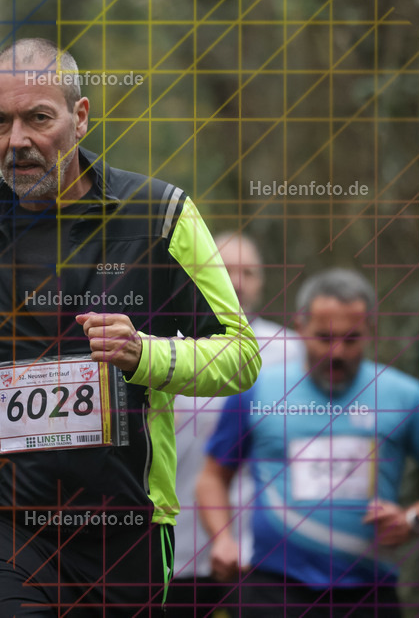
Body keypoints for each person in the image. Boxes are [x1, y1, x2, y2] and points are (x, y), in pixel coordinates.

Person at [0, 37, 263, 617]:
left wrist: (144, 355)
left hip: (125, 523)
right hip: (5, 518)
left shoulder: (159, 215)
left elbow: (242, 354)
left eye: (37, 119)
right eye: (0, 121)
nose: (16, 141)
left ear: (79, 118)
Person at [196, 268, 419, 617]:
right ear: (299, 327)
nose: (337, 353)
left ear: (371, 332)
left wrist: (413, 519)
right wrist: (223, 538)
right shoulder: (257, 391)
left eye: (351, 339)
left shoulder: (403, 396)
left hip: (369, 592)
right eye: (324, 337)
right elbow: (212, 478)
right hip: (274, 589)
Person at [167, 231, 304, 616]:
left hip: (260, 554)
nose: (239, 282)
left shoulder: (291, 351)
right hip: (174, 546)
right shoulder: (163, 350)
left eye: (249, 272)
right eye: (226, 270)